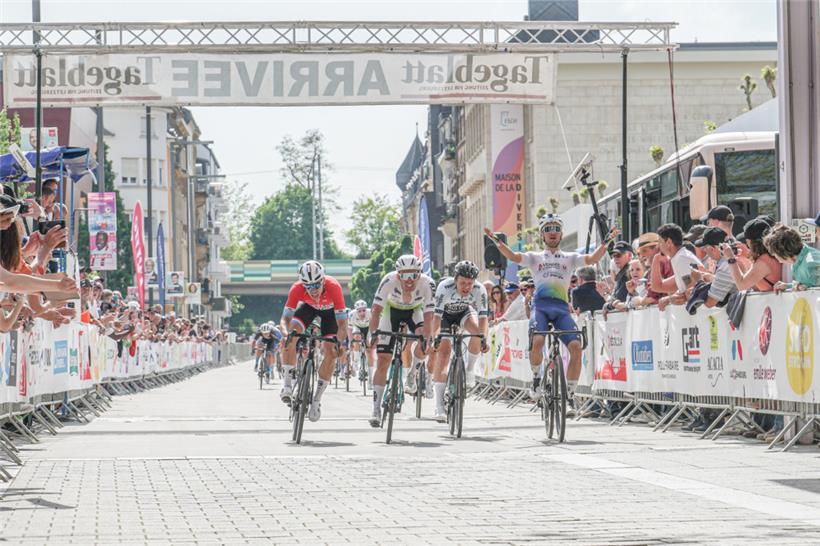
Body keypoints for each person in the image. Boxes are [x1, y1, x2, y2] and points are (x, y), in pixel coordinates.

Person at [484, 214, 618, 401]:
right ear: (542, 235)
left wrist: (606, 242)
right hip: (541, 308)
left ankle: (569, 395)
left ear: (561, 234)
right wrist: (497, 242)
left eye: (556, 229)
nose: (552, 233)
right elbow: (513, 256)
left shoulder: (570, 257)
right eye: (548, 229)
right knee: (538, 340)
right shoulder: (535, 257)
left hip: (561, 309)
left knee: (576, 348)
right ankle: (536, 378)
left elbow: (593, 258)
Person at [367, 255, 435, 427]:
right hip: (391, 312)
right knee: (383, 360)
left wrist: (428, 338)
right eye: (404, 275)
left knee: (424, 342)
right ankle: (376, 409)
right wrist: (373, 333)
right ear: (398, 275)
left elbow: (429, 316)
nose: (409, 280)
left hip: (415, 311)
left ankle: (412, 374)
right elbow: (376, 310)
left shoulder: (428, 283)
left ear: (420, 274)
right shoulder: (388, 280)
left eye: (414, 275)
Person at [280, 261, 348, 422]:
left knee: (331, 352)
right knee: (291, 337)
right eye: (308, 286)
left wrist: (338, 342)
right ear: (303, 284)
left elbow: (342, 325)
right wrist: (286, 334)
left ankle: (316, 400)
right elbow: (285, 319)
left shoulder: (334, 287)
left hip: (330, 314)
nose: (313, 290)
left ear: (323, 280)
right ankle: (287, 385)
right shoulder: (297, 288)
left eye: (317, 285)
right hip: (308, 309)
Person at [429, 260, 489, 422]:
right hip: (445, 317)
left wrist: (483, 338)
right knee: (444, 354)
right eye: (462, 283)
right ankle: (439, 406)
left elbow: (483, 317)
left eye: (470, 283)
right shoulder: (444, 287)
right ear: (455, 279)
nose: (466, 287)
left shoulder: (480, 289)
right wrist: (435, 337)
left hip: (464, 313)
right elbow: (436, 317)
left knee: (478, 334)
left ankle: (469, 370)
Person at [654, 223, 702, 310]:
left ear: (669, 242)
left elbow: (691, 290)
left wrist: (670, 299)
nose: (658, 246)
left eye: (660, 242)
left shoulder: (681, 259)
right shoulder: (680, 256)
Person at [727, 217, 781, 291]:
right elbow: (755, 285)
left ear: (750, 241)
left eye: (746, 241)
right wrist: (749, 256)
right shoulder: (771, 255)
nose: (747, 244)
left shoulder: (764, 261)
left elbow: (741, 286)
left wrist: (731, 258)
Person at [764, 224, 820, 290]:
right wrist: (788, 286)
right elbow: (807, 284)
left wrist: (799, 287)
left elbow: (813, 288)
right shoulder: (798, 260)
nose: (778, 260)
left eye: (775, 255)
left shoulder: (811, 262)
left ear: (783, 253)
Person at [693, 227, 738, 308]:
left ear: (712, 249)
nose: (704, 250)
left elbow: (710, 302)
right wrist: (711, 278)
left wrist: (699, 280)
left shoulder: (725, 266)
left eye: (704, 247)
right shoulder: (730, 261)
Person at [348, 299, 375, 382]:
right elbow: (349, 329)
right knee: (356, 337)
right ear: (356, 311)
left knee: (369, 350)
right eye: (359, 311)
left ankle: (370, 377)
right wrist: (351, 341)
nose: (362, 313)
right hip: (357, 327)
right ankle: (356, 360)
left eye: (363, 310)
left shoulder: (370, 313)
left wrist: (370, 340)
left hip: (368, 328)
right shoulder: (351, 315)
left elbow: (374, 327)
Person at [605, 241, 633, 311]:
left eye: (618, 255)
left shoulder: (629, 272)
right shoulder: (622, 273)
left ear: (629, 255)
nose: (615, 258)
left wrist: (607, 306)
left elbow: (618, 298)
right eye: (614, 256)